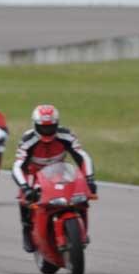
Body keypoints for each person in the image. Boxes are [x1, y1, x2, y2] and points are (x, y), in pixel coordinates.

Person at [12, 104, 97, 252]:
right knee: (25, 198)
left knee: (81, 194)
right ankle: (27, 229)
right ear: (35, 125)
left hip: (59, 170)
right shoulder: (27, 140)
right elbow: (18, 166)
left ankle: (81, 227)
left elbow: (82, 156)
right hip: (34, 172)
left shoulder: (66, 135)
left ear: (57, 125)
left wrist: (89, 179)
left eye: (50, 127)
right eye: (43, 127)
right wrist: (25, 188)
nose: (47, 131)